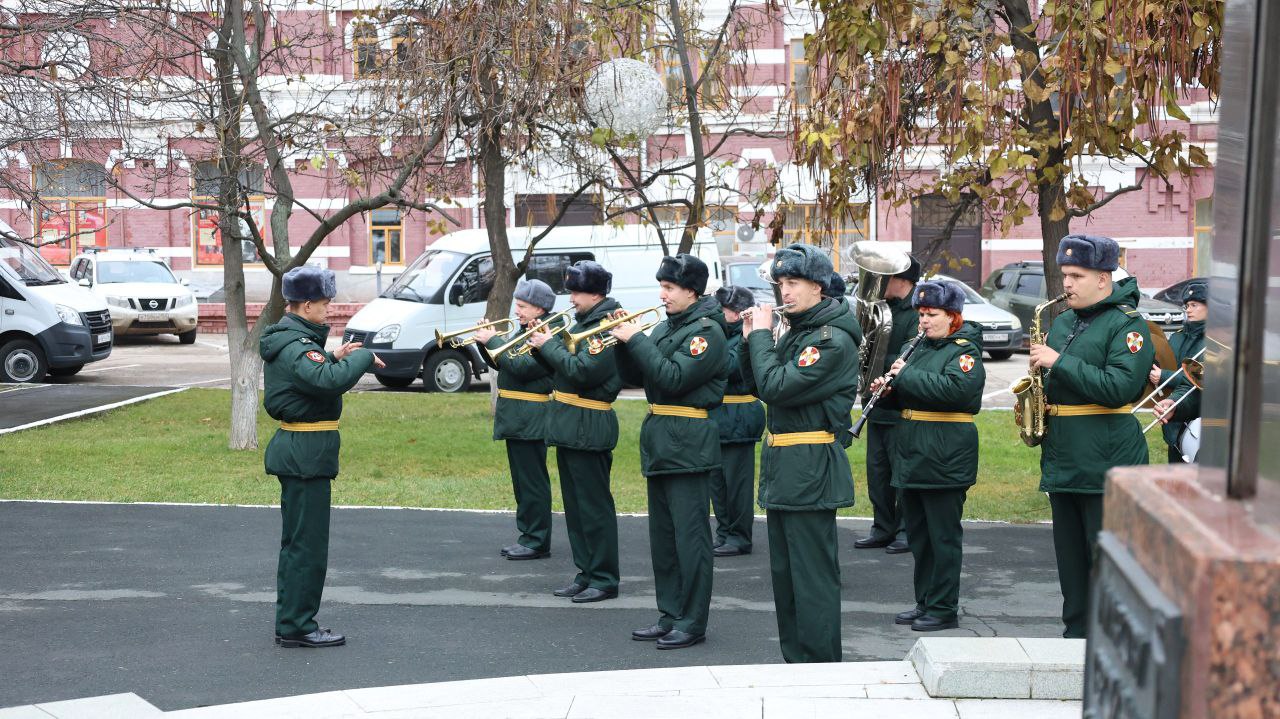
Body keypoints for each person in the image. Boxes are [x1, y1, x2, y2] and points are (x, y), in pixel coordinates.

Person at [739, 243, 862, 663]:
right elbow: (757, 385)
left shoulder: (829, 340)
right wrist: (747, 342)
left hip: (809, 467)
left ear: (818, 288)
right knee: (786, 577)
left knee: (811, 578)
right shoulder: (800, 329)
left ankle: (821, 667)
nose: (784, 292)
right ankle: (796, 665)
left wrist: (759, 336)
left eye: (793, 283)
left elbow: (776, 387)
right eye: (781, 283)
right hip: (787, 467)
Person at [1029, 234, 1154, 639]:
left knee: (1107, 559)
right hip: (1065, 459)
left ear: (1104, 278)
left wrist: (1058, 362)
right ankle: (1076, 634)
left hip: (1106, 460)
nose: (1066, 283)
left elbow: (1119, 387)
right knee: (1070, 559)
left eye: (1077, 275)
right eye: (1065, 275)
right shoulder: (1064, 320)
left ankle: (1111, 641)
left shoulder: (1128, 325)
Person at [260, 265, 384, 648]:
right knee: (306, 545)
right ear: (307, 304)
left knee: (300, 542)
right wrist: (362, 359)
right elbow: (326, 382)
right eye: (326, 304)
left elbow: (311, 378)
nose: (329, 310)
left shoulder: (298, 343)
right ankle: (297, 625)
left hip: (303, 454)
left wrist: (333, 356)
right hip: (304, 456)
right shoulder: (296, 345)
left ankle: (293, 620)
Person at [611, 254, 726, 649]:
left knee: (691, 539)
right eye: (661, 287)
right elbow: (632, 377)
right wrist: (621, 344)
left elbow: (672, 377)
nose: (662, 295)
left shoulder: (707, 331)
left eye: (669, 288)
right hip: (662, 438)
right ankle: (670, 613)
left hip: (688, 438)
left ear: (692, 291)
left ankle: (692, 621)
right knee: (663, 537)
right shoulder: (667, 325)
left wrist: (637, 339)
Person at [871, 280, 984, 632]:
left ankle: (944, 607)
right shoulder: (915, 346)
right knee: (919, 536)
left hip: (945, 456)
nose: (923, 321)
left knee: (943, 537)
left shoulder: (964, 351)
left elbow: (955, 391)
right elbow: (910, 393)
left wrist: (905, 376)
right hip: (914, 455)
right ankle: (925, 602)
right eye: (920, 314)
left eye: (931, 314)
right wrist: (887, 391)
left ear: (953, 316)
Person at [526, 260, 622, 603]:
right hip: (570, 423)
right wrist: (539, 346)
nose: (571, 299)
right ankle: (587, 571)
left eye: (576, 292)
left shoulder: (607, 327)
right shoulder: (583, 322)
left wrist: (547, 345)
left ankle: (605, 577)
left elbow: (582, 373)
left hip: (589, 423)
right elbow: (559, 372)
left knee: (593, 507)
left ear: (595, 293)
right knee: (576, 509)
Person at [474, 279, 557, 560]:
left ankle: (537, 539)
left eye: (522, 306)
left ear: (539, 308)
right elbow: (501, 360)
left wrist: (494, 340)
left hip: (531, 418)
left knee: (532, 482)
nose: (517, 311)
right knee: (522, 482)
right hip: (517, 417)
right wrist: (484, 344)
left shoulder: (547, 333)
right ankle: (528, 535)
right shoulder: (525, 330)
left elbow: (522, 367)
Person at [855, 255, 922, 555]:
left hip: (901, 405)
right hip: (876, 403)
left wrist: (877, 357)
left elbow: (910, 354)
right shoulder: (880, 310)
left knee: (901, 473)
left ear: (904, 281)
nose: (881, 282)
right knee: (877, 472)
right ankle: (882, 527)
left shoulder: (916, 313)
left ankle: (907, 530)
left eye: (888, 276)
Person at [708, 285, 764, 557]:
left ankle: (740, 536)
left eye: (724, 310)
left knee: (737, 484)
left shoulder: (746, 336)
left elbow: (729, 367)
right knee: (717, 483)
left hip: (739, 417)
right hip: (718, 418)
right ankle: (723, 531)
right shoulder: (720, 333)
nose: (719, 315)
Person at [1152, 280, 1207, 462]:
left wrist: (1164, 377)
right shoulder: (1177, 337)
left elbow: (1201, 377)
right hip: (1175, 415)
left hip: (1200, 416)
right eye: (1186, 306)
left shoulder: (1215, 341)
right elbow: (1168, 365)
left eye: (1194, 305)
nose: (1188, 310)